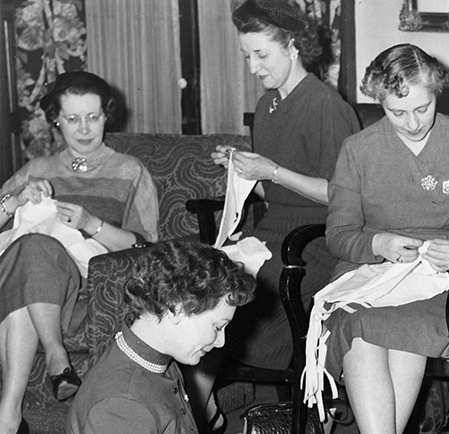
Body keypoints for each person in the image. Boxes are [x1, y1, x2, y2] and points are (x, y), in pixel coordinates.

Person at [317, 43, 449, 434]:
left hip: (443, 275)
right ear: (378, 101)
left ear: (438, 93)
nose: (414, 123)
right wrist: (377, 244)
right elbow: (339, 234)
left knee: (394, 327)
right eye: (396, 113)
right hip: (371, 273)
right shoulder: (358, 150)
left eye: (423, 108)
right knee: (359, 326)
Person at [197, 0, 359, 429]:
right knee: (201, 281)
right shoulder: (267, 107)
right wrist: (241, 169)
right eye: (246, 56)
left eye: (261, 55)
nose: (253, 67)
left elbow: (343, 195)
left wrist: (269, 169)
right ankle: (205, 405)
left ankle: (231, 407)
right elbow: (276, 190)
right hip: (272, 233)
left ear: (293, 46)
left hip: (317, 241)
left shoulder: (326, 105)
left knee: (232, 296)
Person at [0, 70, 159, 434]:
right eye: (72, 119)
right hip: (34, 284)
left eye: (93, 117)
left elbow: (146, 247)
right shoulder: (38, 170)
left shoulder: (129, 171)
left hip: (90, 293)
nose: (84, 129)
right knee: (30, 252)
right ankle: (53, 365)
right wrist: (16, 200)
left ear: (107, 115)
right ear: (56, 119)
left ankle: (9, 413)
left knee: (31, 256)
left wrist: (91, 223)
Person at [66, 241, 256, 433]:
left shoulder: (158, 360)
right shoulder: (122, 406)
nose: (220, 341)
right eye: (217, 327)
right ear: (177, 309)